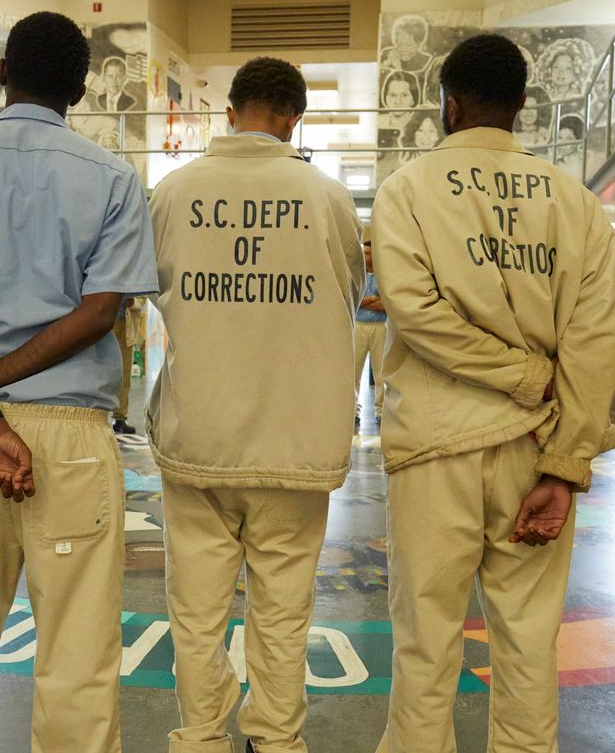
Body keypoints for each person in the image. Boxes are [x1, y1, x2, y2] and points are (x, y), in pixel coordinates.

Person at [0, 12, 157, 753]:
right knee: (78, 658)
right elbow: (99, 313)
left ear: (4, 70)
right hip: (70, 441)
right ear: (80, 89)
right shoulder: (110, 177)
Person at [371, 34, 615, 752]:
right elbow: (592, 343)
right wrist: (566, 464)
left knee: (425, 639)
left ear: (449, 104)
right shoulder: (575, 204)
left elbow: (416, 314)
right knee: (528, 640)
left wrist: (516, 375)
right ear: (522, 105)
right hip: (537, 446)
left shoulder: (407, 190)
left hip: (434, 442)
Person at [147, 56, 364, 753]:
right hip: (295, 439)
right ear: (297, 116)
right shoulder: (326, 197)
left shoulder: (175, 192)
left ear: (230, 108)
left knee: (197, 610)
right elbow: (350, 293)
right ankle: (275, 740)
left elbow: (154, 288)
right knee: (283, 609)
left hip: (199, 436)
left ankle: (202, 737)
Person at [354, 236, 386, 428]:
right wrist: (372, 299)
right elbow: (354, 301)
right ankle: (353, 412)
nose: (365, 257)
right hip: (359, 326)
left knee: (381, 372)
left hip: (380, 327)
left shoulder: (384, 277)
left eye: (367, 254)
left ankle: (381, 412)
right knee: (354, 372)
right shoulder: (358, 276)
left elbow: (387, 304)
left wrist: (367, 301)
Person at [112, 295, 143, 434]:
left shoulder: (135, 273)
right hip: (100, 320)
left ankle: (120, 418)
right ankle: (94, 413)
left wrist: (134, 302)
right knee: (96, 370)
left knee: (124, 373)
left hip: (125, 324)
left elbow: (143, 297)